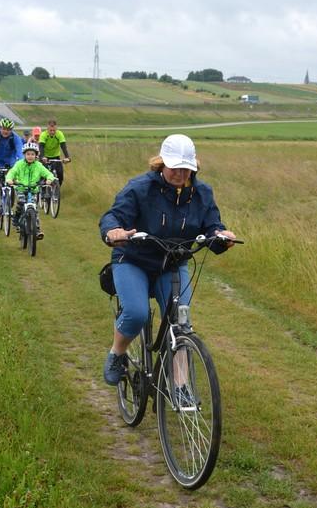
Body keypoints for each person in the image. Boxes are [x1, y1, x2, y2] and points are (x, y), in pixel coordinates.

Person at [98, 134, 236, 387]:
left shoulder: (202, 193)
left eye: (186, 168)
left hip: (172, 264)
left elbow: (212, 226)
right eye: (175, 167)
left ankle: (181, 389)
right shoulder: (140, 188)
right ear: (162, 163)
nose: (180, 174)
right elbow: (114, 216)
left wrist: (221, 236)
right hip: (133, 259)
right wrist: (113, 231)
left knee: (181, 324)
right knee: (137, 313)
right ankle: (117, 353)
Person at [5, 141, 57, 240]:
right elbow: (12, 172)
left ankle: (36, 230)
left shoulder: (38, 165)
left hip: (33, 189)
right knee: (21, 202)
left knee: (34, 209)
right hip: (21, 188)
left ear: (36, 155)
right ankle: (16, 218)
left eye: (32, 154)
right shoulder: (19, 164)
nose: (30, 156)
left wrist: (49, 179)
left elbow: (48, 173)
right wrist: (9, 179)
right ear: (24, 155)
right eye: (28, 154)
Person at [38, 120, 71, 185]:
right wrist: (42, 157)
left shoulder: (59, 134)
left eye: (54, 130)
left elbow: (63, 146)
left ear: (56, 129)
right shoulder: (43, 134)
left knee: (60, 174)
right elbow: (41, 147)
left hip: (56, 157)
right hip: (45, 157)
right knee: (43, 175)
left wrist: (67, 157)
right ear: (47, 129)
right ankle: (42, 188)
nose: (52, 132)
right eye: (50, 130)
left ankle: (57, 189)